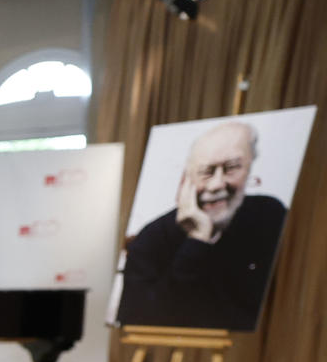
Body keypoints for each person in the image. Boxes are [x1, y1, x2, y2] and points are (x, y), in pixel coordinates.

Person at [118, 120, 289, 332]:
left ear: (249, 168)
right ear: (186, 179)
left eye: (232, 168)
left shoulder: (268, 215)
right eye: (206, 171)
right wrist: (197, 240)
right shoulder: (152, 238)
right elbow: (140, 318)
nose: (217, 184)